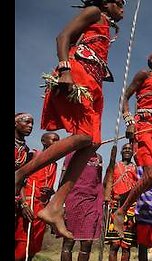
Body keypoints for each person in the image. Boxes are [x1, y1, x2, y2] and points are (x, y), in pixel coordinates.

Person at [14, 0, 125, 239]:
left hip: (94, 84)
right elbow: (62, 36)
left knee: (93, 143)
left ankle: (55, 207)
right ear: (106, 3)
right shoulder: (94, 12)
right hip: (77, 74)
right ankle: (21, 173)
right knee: (84, 136)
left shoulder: (105, 24)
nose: (122, 9)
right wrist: (65, 69)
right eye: (119, 3)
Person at [113, 51, 152, 236]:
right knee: (150, 173)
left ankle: (124, 205)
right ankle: (121, 210)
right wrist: (129, 120)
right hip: (144, 125)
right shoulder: (144, 74)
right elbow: (125, 97)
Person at [14, 132, 60, 261]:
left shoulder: (54, 164)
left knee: (33, 248)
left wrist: (51, 191)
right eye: (54, 140)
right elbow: (19, 180)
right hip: (28, 205)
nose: (57, 143)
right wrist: (23, 204)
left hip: (42, 210)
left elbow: (51, 188)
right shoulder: (33, 156)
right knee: (22, 246)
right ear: (43, 141)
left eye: (59, 140)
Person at [60, 151, 104, 261]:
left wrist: (101, 201)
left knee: (87, 242)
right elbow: (63, 178)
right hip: (72, 200)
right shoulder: (72, 155)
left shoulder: (98, 158)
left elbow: (99, 182)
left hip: (91, 202)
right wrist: (60, 203)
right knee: (69, 240)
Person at [104, 143, 139, 261]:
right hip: (116, 206)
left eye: (129, 149)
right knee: (114, 244)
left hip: (130, 208)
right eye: (125, 148)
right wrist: (111, 161)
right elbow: (106, 182)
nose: (127, 150)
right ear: (121, 152)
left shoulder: (136, 168)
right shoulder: (115, 166)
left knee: (126, 245)